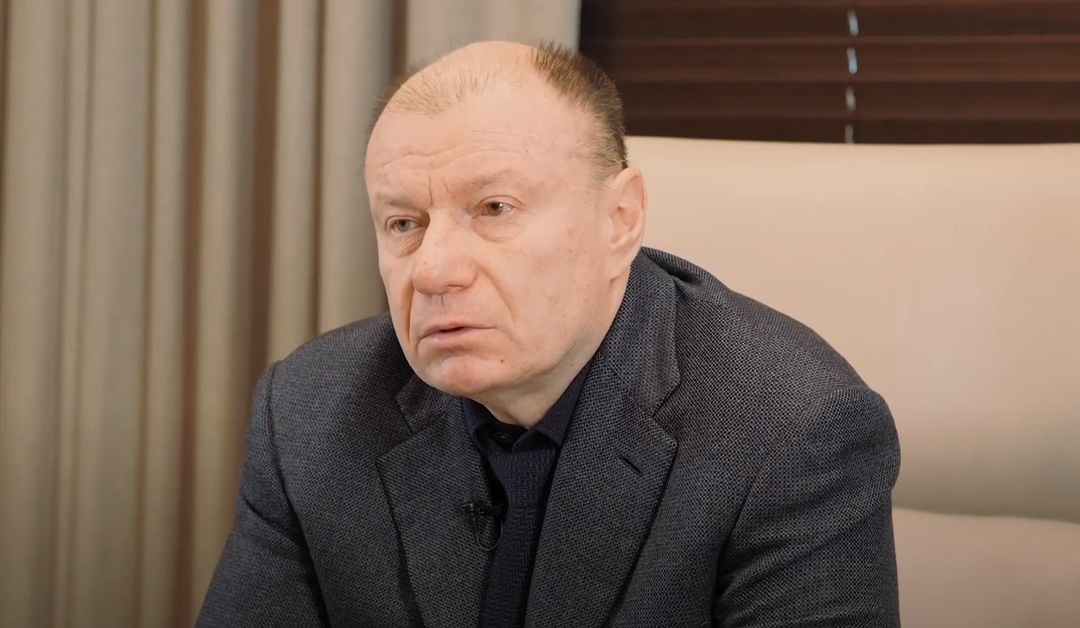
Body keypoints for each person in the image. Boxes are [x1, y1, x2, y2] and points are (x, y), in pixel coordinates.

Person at [196, 41, 901, 628]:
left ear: (620, 220)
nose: (433, 270)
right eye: (404, 223)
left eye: (494, 208)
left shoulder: (791, 431)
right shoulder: (310, 409)